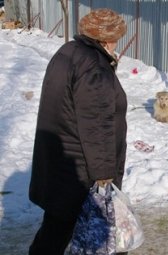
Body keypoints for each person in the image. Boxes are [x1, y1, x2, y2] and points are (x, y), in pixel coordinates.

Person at [29, 8, 128, 255]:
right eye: (117, 37)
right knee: (79, 231)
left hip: (61, 160)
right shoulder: (94, 65)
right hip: (80, 169)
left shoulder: (68, 52)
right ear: (106, 38)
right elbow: (97, 125)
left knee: (56, 227)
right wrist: (104, 175)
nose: (118, 42)